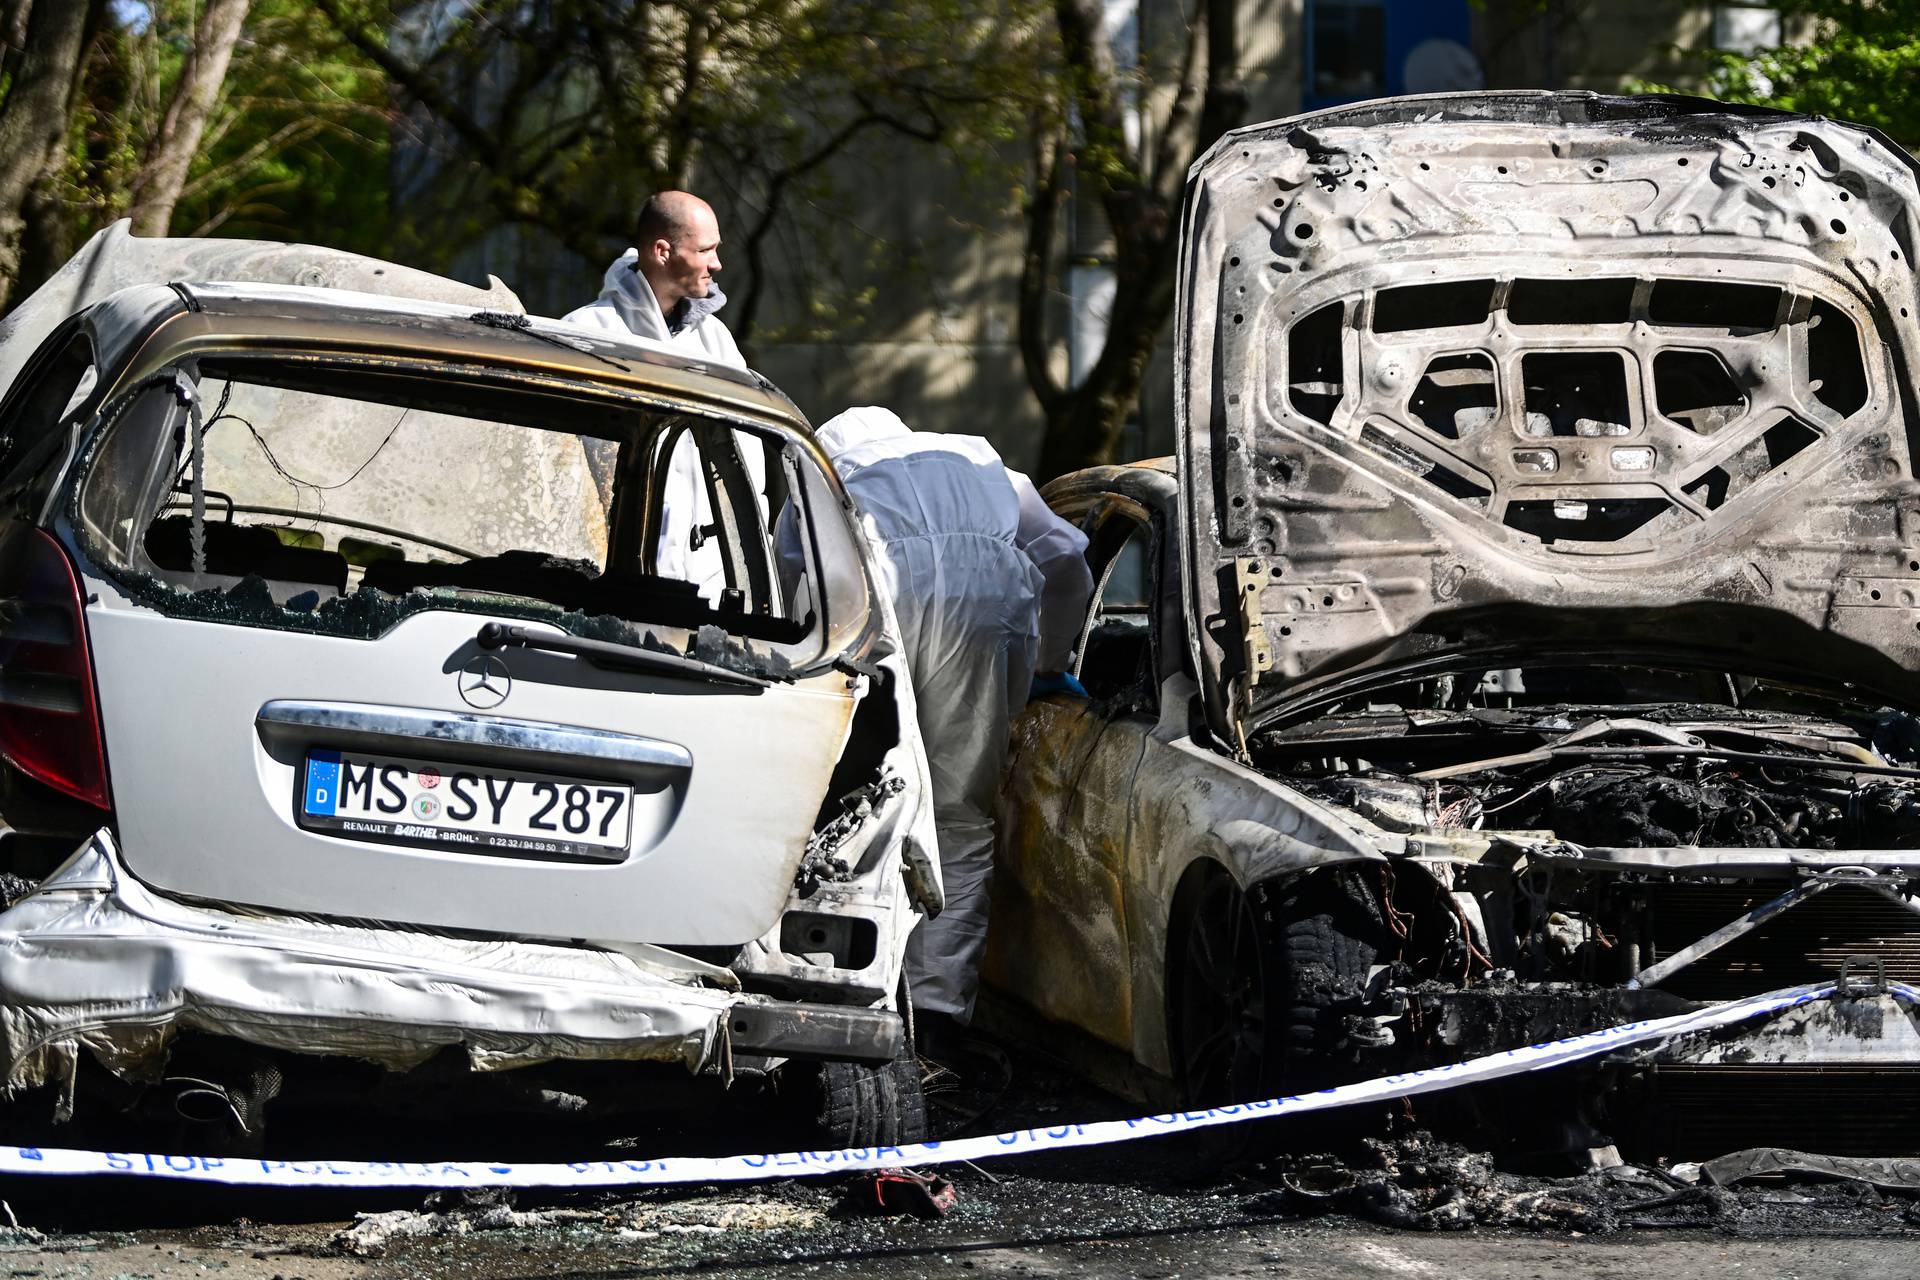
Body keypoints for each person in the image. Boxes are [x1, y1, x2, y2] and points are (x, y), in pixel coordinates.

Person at [811, 407, 1094, 1053]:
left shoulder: (825, 471)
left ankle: (840, 998)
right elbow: (1065, 553)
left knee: (849, 813)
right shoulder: (979, 459)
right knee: (958, 816)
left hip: (876, 601)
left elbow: (793, 572)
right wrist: (1050, 661)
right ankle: (935, 1017)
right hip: (986, 601)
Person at [563, 192, 756, 597]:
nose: (718, 264)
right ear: (662, 251)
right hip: (607, 583)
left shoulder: (716, 341)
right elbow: (562, 466)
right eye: (706, 250)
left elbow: (749, 467)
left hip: (710, 588)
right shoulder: (587, 335)